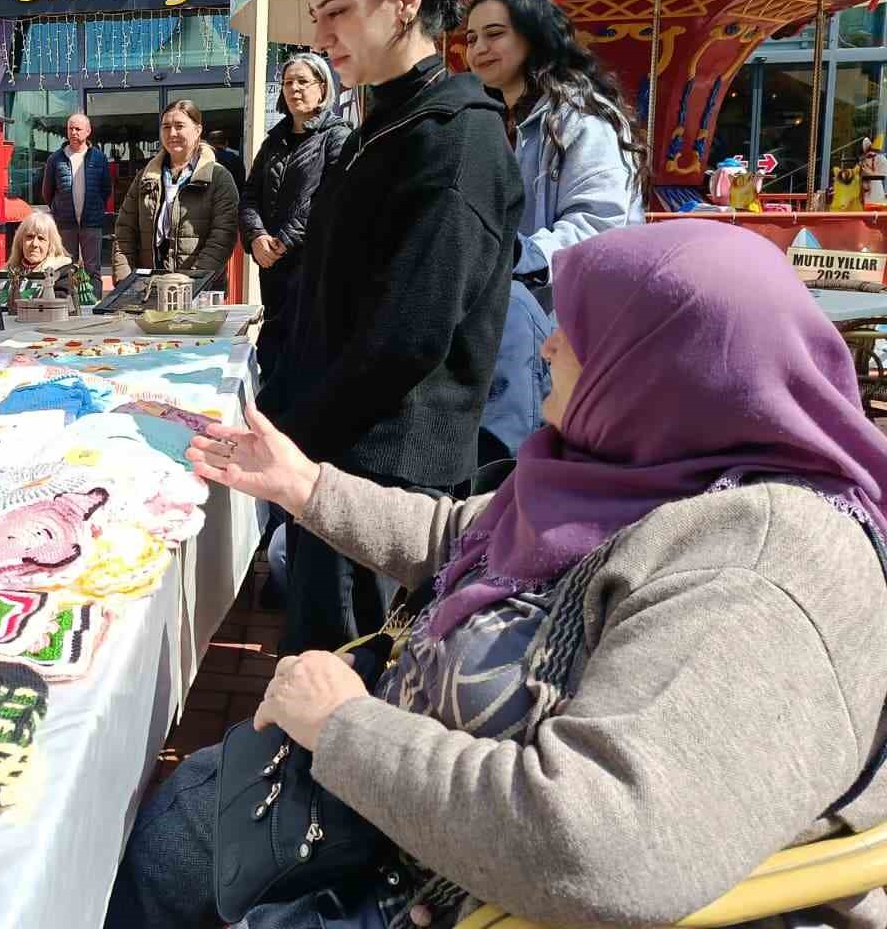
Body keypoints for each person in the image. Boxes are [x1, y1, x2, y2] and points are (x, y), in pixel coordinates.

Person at [109, 219, 887, 929]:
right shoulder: (645, 469)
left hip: (444, 889)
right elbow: (465, 535)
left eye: (580, 332)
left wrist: (345, 728)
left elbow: (599, 850)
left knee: (169, 850)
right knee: (178, 826)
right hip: (404, 818)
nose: (547, 347)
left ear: (662, 366)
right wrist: (303, 486)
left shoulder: (756, 576)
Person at [256, 0, 522, 653]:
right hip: (333, 459)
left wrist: (297, 438)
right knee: (315, 659)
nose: (320, 36)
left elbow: (408, 335)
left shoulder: (456, 137)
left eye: (336, 11)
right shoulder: (383, 125)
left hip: (383, 478)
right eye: (315, 15)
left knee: (344, 674)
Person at [465, 0, 646, 462]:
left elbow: (600, 223)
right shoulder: (490, 121)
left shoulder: (582, 120)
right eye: (471, 37)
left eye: (494, 34)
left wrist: (520, 254)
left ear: (533, 35)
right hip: (509, 321)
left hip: (568, 324)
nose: (478, 48)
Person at [239, 52, 350, 385]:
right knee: (273, 355)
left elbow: (331, 196)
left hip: (311, 265)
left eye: (303, 81)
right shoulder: (273, 142)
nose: (294, 89)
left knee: (307, 357)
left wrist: (285, 239)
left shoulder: (337, 136)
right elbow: (249, 195)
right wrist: (256, 236)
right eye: (288, 82)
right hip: (272, 266)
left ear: (322, 87)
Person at [112, 99, 239, 287]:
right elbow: (124, 231)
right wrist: (125, 280)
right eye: (166, 127)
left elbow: (222, 237)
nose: (172, 133)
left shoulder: (218, 178)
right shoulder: (146, 177)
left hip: (200, 290)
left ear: (198, 130)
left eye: (179, 126)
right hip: (149, 287)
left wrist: (191, 284)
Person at [39, 112, 110, 284]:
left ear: (88, 131)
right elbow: (47, 192)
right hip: (65, 223)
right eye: (70, 129)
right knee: (66, 269)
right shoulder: (55, 159)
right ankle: (68, 300)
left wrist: (96, 208)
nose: (73, 132)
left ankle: (95, 300)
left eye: (78, 129)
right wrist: (58, 209)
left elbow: (106, 189)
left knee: (93, 270)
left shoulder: (99, 158)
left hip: (92, 222)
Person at [0, 209, 92, 306]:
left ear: (51, 244)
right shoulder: (5, 273)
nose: (34, 244)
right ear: (20, 242)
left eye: (41, 238)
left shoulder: (63, 273)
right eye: (29, 237)